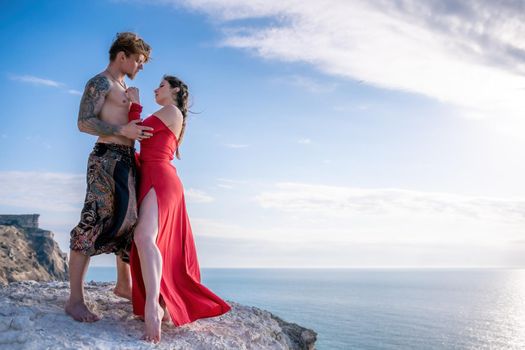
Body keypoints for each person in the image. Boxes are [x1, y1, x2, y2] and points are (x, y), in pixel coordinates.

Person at [127, 75, 231, 343]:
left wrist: (134, 104)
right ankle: (159, 301)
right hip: (151, 174)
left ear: (174, 90)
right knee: (148, 240)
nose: (155, 88)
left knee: (144, 238)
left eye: (161, 85)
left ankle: (153, 306)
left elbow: (135, 129)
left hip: (160, 178)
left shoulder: (171, 111)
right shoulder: (167, 113)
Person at [65, 32, 153, 323]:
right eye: (138, 61)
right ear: (122, 56)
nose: (141, 67)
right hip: (106, 157)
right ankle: (74, 301)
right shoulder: (100, 82)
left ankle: (124, 284)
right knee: (92, 222)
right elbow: (83, 122)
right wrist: (122, 131)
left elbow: (128, 127)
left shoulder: (124, 86)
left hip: (127, 159)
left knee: (129, 220)